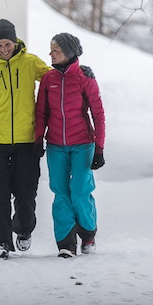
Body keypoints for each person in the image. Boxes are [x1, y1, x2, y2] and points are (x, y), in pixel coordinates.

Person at [0, 19, 51, 259]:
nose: (5, 49)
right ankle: (0, 243)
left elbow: (55, 81)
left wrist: (79, 73)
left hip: (26, 142)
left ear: (15, 42)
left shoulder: (30, 63)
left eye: (9, 44)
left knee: (26, 194)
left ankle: (23, 230)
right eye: (0, 45)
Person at [34, 32, 106, 258]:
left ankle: (87, 233)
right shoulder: (48, 79)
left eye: (55, 50)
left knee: (80, 192)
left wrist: (100, 148)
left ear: (68, 52)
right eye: (51, 49)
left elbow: (98, 114)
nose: (50, 54)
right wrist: (38, 140)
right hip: (56, 145)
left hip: (83, 145)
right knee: (60, 192)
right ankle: (65, 243)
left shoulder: (85, 78)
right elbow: (41, 112)